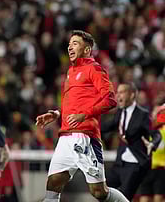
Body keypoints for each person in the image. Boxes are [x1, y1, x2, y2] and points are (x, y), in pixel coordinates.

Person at [35, 30, 129, 202]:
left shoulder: (94, 68)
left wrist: (83, 115)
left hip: (85, 136)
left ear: (87, 50)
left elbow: (111, 100)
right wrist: (57, 114)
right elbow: (75, 103)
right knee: (53, 183)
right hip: (65, 136)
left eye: (75, 43)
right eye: (69, 44)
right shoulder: (70, 72)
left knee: (99, 192)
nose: (70, 47)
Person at [101, 82, 161, 200]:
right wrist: (88, 127)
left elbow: (156, 133)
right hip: (120, 163)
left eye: (122, 92)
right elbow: (108, 126)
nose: (118, 96)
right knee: (101, 189)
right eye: (117, 93)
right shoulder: (120, 112)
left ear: (132, 95)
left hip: (134, 164)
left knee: (124, 197)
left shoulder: (142, 114)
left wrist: (152, 144)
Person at [138, 104, 165, 202]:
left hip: (161, 170)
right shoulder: (146, 130)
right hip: (147, 169)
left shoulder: (163, 130)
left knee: (159, 198)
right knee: (145, 198)